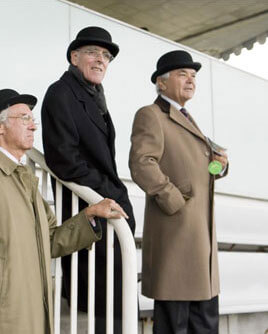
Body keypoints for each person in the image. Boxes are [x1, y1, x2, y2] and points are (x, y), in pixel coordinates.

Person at [0, 88, 128, 334]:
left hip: (34, 306)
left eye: (33, 119)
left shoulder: (26, 177)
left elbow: (51, 241)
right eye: (24, 118)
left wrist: (89, 215)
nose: (33, 127)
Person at [41, 26, 135, 333]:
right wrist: (112, 193)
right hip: (90, 213)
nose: (101, 60)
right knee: (102, 310)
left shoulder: (93, 96)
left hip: (104, 212)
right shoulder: (61, 93)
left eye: (106, 56)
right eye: (93, 53)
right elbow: (64, 159)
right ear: (74, 57)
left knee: (115, 308)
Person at [129, 50, 228, 333]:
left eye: (194, 75)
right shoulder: (151, 115)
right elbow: (141, 162)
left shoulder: (186, 117)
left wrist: (217, 167)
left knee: (204, 323)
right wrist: (174, 200)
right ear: (161, 82)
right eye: (182, 74)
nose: (191, 80)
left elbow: (195, 172)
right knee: (177, 324)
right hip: (177, 239)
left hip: (200, 242)